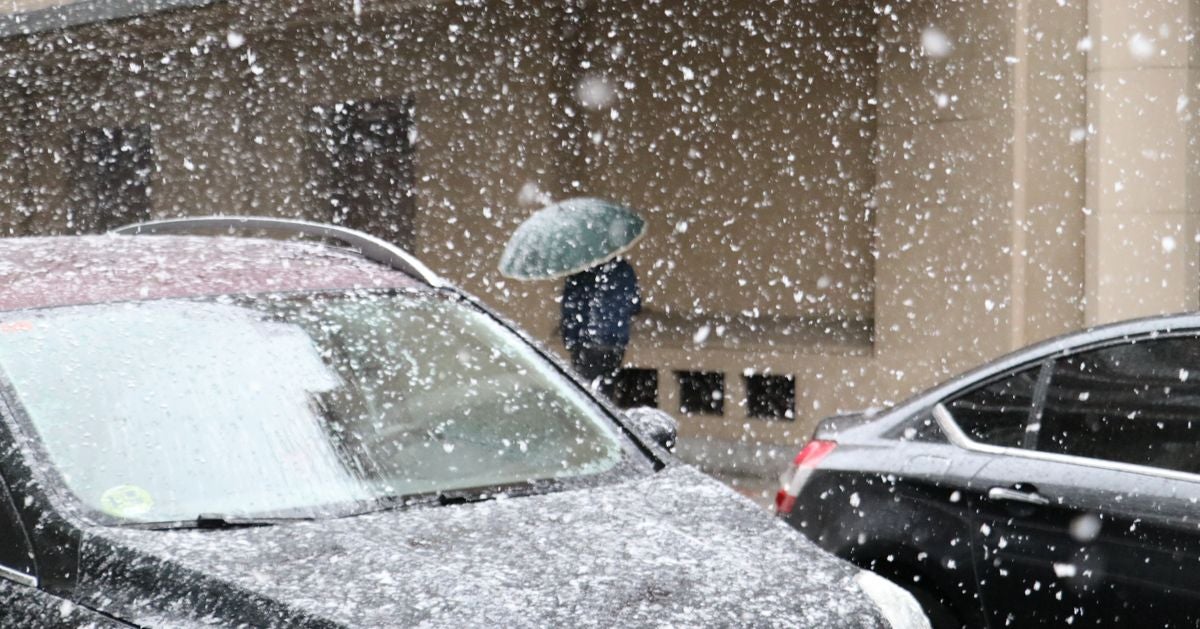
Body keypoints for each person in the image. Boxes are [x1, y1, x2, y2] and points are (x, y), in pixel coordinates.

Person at [560, 257, 641, 390]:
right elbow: (635, 305)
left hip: (584, 343)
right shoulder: (623, 269)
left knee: (584, 391)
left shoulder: (579, 270)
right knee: (605, 390)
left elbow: (569, 308)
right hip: (614, 343)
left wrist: (570, 339)